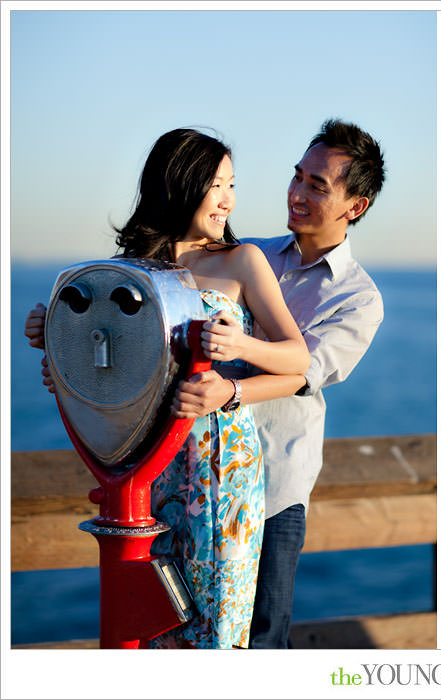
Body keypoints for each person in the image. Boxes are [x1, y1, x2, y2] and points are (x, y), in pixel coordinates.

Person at [25, 128, 311, 649]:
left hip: (220, 470)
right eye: (217, 184)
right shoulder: (131, 271)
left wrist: (234, 367)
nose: (228, 199)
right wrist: (57, 345)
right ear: (181, 182)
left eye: (232, 185)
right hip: (149, 467)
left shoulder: (241, 261)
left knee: (215, 630)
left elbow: (297, 361)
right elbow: (115, 366)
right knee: (156, 625)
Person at [169, 119, 386, 648]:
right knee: (181, 626)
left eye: (318, 185)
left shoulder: (359, 299)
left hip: (275, 487)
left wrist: (232, 390)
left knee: (260, 639)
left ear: (354, 207)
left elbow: (300, 373)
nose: (297, 192)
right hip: (196, 476)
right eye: (297, 177)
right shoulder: (249, 254)